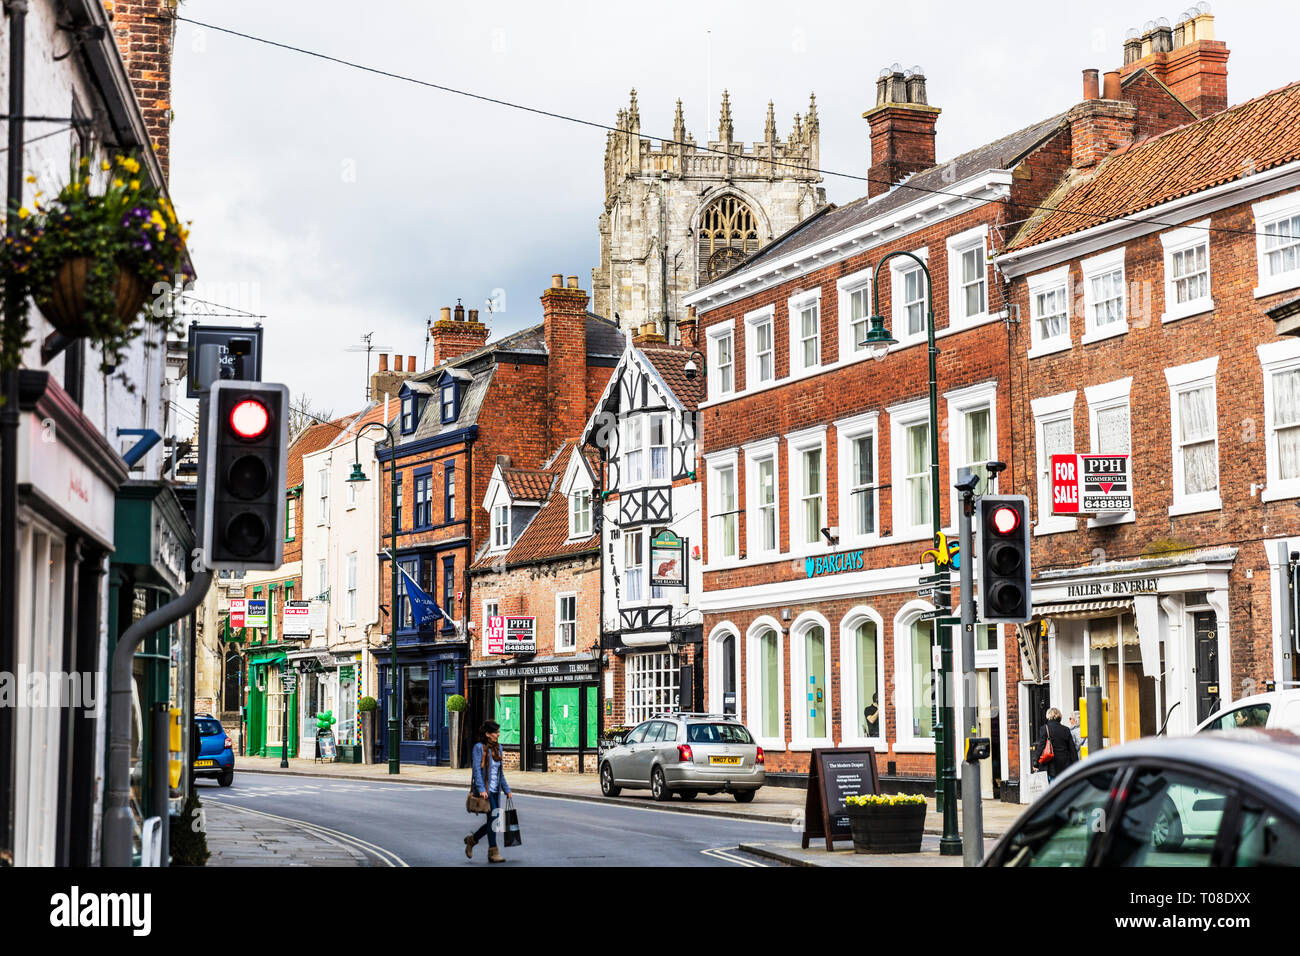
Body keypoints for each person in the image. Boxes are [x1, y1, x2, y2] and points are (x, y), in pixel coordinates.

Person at [465, 720, 512, 863]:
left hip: (495, 790)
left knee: (495, 820)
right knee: (493, 820)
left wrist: (507, 789)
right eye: (495, 732)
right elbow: (476, 771)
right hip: (486, 791)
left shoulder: (499, 748)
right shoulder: (479, 748)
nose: (498, 734)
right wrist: (481, 789)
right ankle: (493, 852)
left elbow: (500, 773)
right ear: (487, 734)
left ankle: (472, 840)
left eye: (498, 732)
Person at [1033, 706, 1079, 783]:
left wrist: (1035, 762)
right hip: (1065, 765)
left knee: (1053, 787)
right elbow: (1072, 749)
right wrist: (1076, 764)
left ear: (1048, 716)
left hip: (1051, 765)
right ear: (1059, 717)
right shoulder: (1066, 729)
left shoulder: (1044, 728)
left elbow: (1041, 746)